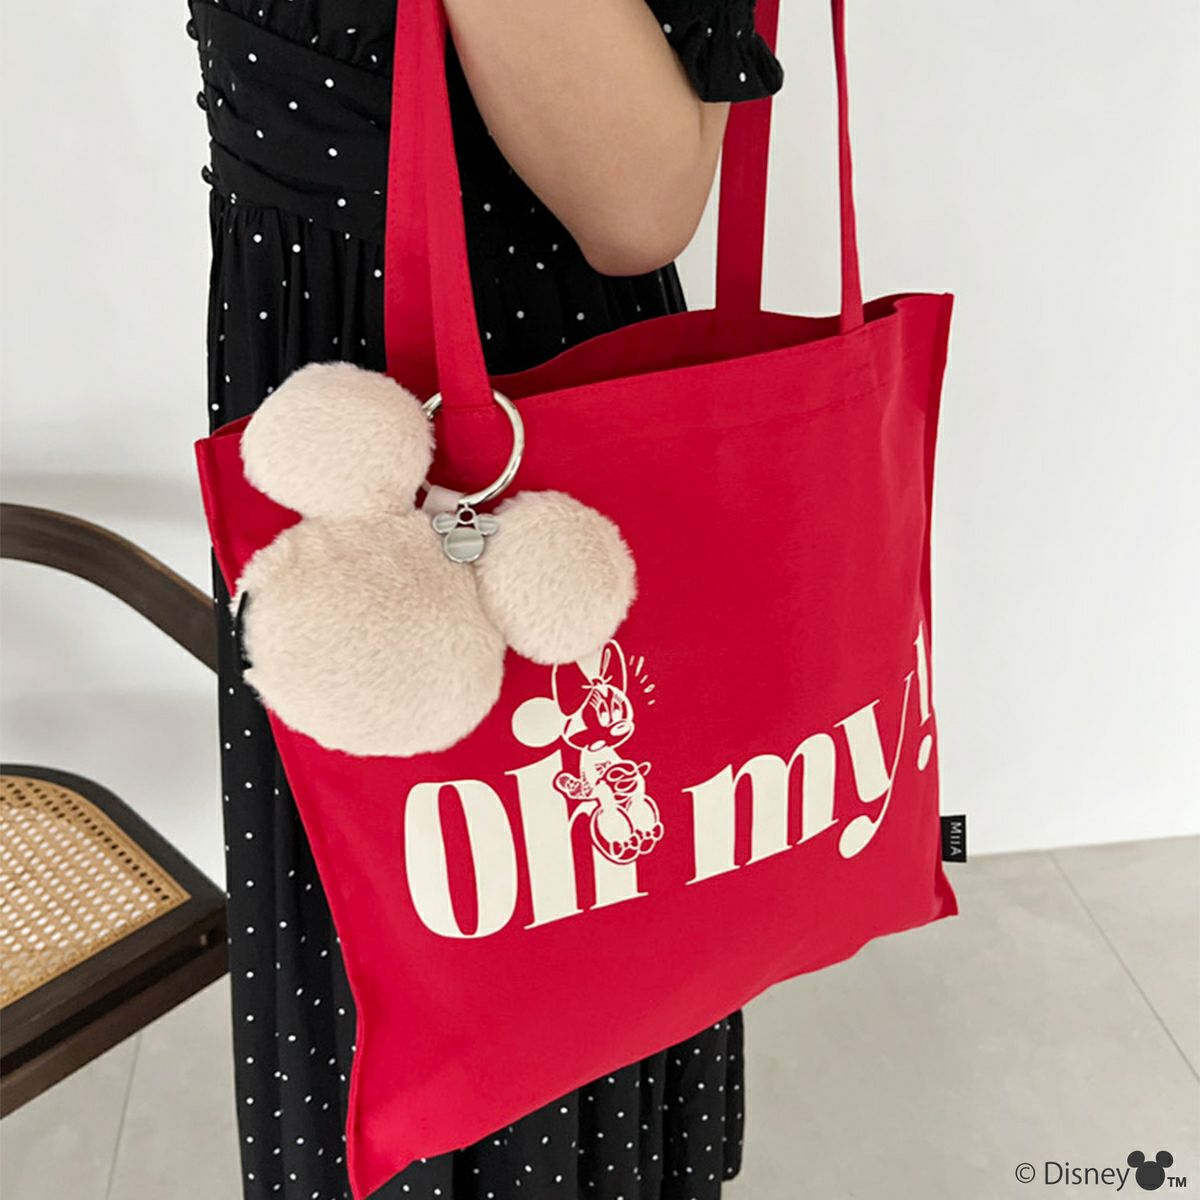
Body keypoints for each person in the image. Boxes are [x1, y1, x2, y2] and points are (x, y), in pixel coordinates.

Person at [185, 2, 783, 1197]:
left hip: (437, 381)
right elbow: (635, 202)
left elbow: (632, 199)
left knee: (489, 904)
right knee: (471, 904)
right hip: (410, 399)